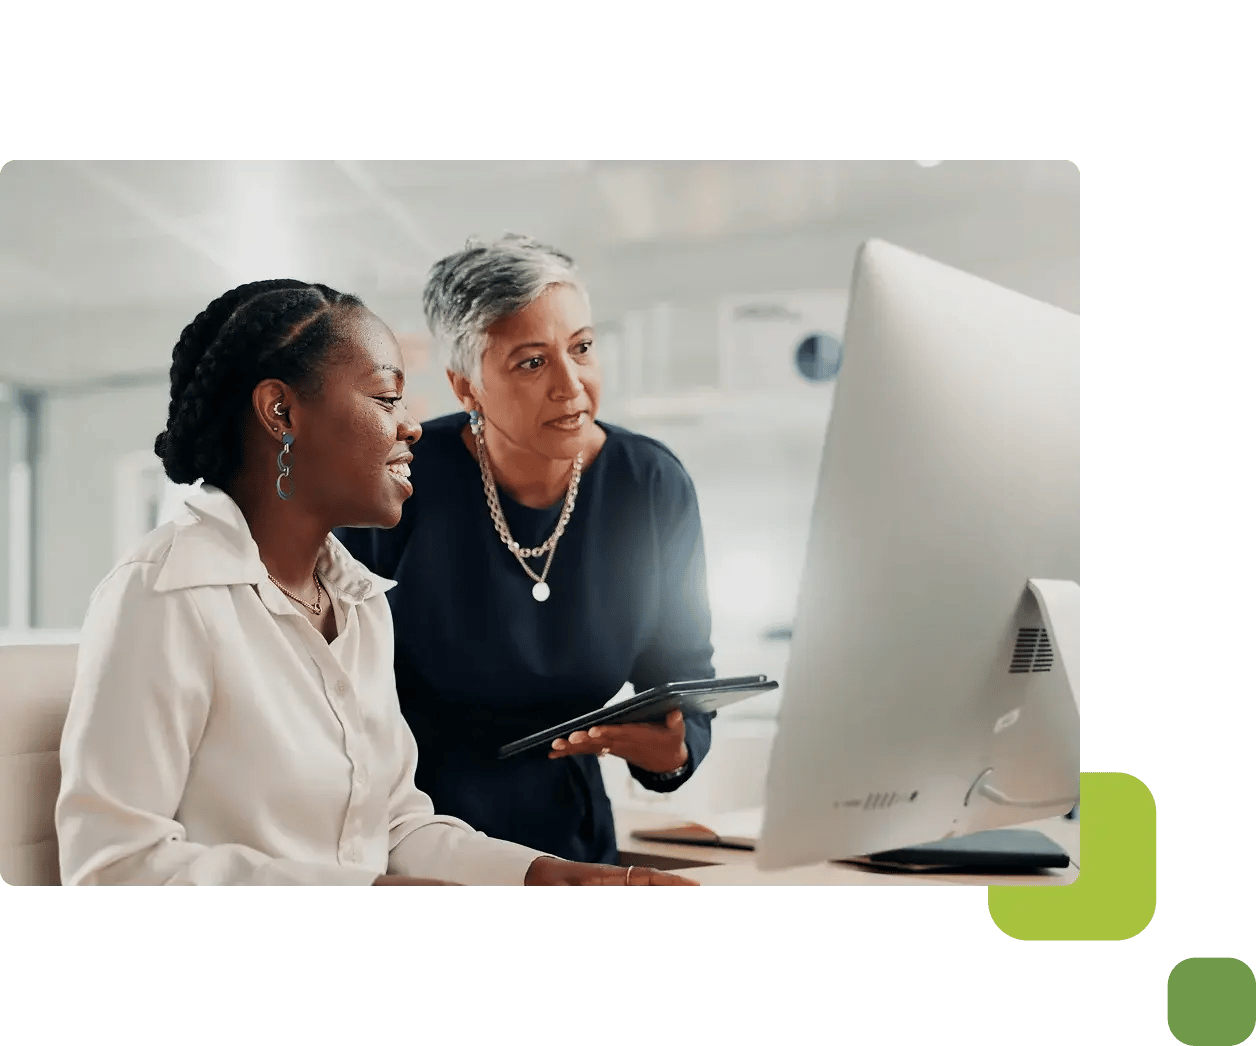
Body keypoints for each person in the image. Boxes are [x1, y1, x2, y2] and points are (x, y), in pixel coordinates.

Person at [55, 277, 697, 886]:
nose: (413, 425)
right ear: (281, 411)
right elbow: (112, 869)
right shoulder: (163, 596)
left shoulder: (359, 602)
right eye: (387, 400)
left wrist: (537, 875)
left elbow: (393, 828)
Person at [336, 236, 716, 865]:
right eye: (532, 362)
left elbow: (682, 676)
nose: (572, 386)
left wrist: (674, 750)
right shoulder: (397, 480)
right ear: (467, 387)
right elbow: (330, 687)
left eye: (583, 348)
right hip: (414, 838)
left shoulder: (650, 485)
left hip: (571, 841)